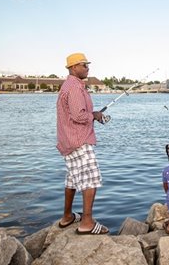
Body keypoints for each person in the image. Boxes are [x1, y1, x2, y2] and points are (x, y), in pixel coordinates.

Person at [56, 52, 109, 235]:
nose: (87, 67)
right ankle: (86, 222)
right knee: (90, 178)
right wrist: (94, 115)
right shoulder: (75, 88)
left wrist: (92, 114)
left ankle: (67, 216)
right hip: (79, 140)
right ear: (73, 68)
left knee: (72, 177)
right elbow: (79, 115)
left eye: (88, 64)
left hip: (68, 140)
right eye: (83, 65)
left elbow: (75, 113)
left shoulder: (70, 85)